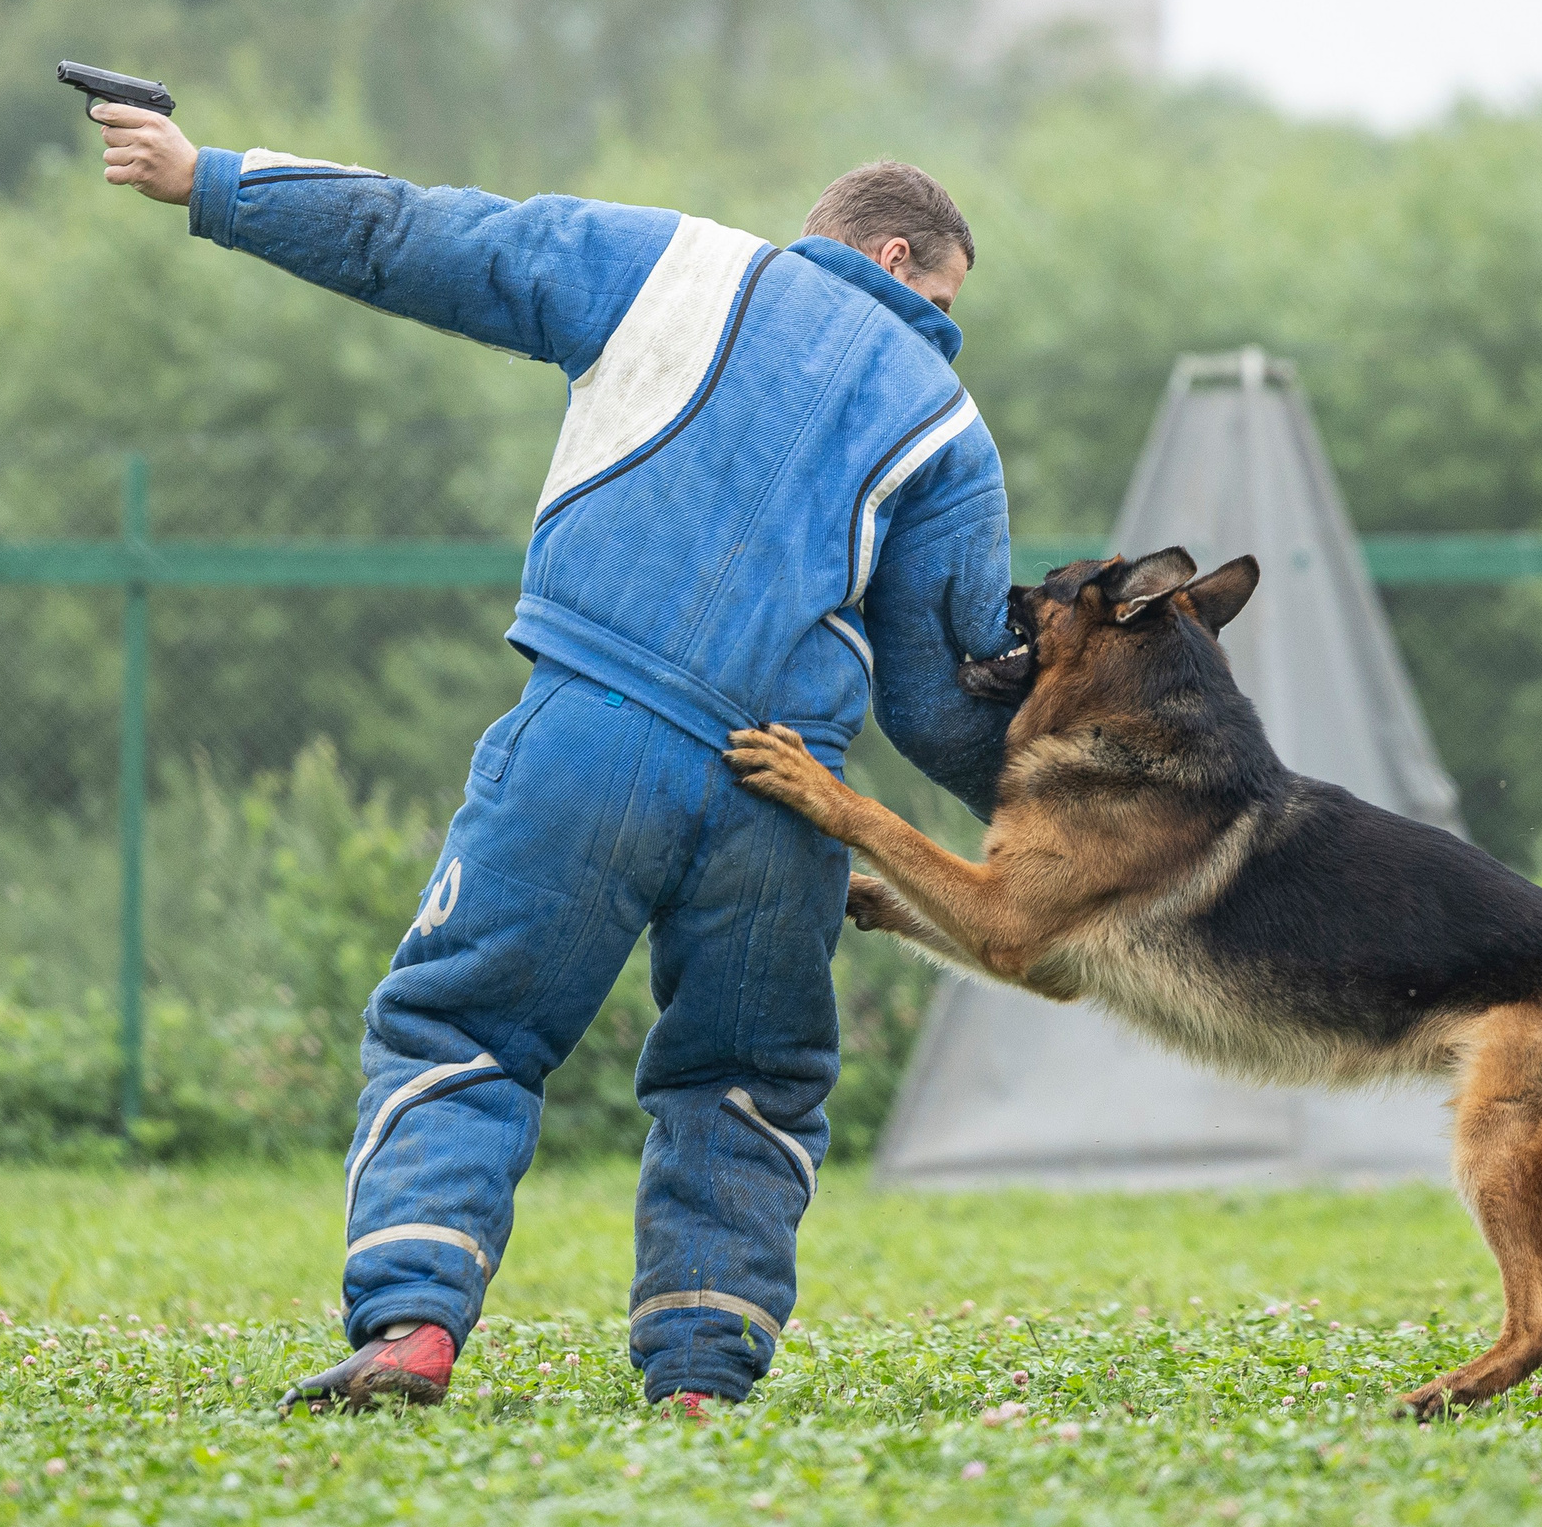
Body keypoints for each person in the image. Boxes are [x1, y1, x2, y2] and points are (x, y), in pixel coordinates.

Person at [96, 103, 1016, 1417]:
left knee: (460, 1022)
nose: (942, 328)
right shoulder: (953, 429)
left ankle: (414, 1320)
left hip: (592, 728)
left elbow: (420, 233)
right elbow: (944, 700)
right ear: (889, 252)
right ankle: (699, 1377)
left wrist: (211, 181)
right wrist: (1071, 853)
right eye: (942, 295)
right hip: (788, 787)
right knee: (747, 1077)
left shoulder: (672, 265)